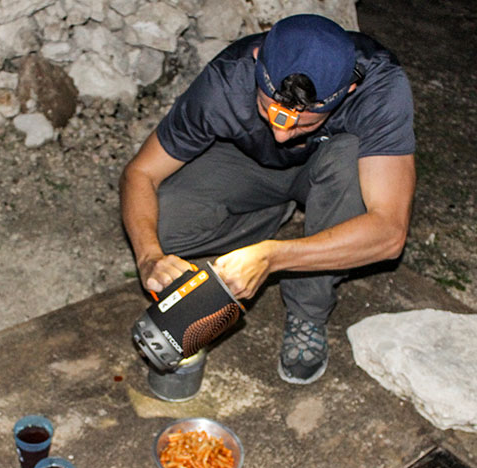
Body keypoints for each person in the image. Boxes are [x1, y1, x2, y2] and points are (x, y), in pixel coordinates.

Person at [119, 14, 416, 384]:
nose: (280, 134)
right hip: (253, 167)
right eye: (268, 112)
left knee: (350, 160)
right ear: (258, 60)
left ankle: (308, 309)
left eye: (302, 124)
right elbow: (140, 173)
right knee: (163, 225)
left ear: (349, 91)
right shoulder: (227, 79)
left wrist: (276, 256)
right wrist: (149, 256)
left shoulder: (380, 87)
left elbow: (389, 233)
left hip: (331, 169)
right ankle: (270, 217)